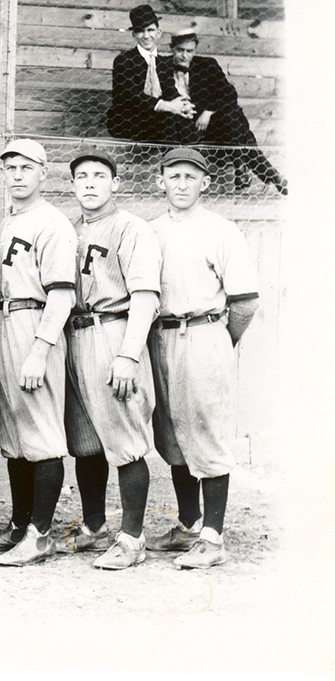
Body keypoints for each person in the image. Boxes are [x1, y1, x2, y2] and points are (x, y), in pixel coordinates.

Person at [145, 147, 258, 569]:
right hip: (162, 335)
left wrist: (218, 340)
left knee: (207, 433)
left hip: (205, 331)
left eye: (190, 177)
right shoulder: (150, 230)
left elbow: (245, 302)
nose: (181, 184)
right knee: (173, 433)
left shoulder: (221, 229)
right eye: (173, 176)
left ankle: (213, 538)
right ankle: (189, 525)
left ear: (204, 183)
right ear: (160, 181)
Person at [0, 139, 76, 567]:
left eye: (26, 168)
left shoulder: (52, 223)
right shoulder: (5, 222)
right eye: (10, 167)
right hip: (2, 323)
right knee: (13, 436)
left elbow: (62, 295)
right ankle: (19, 525)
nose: (16, 175)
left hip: (35, 324)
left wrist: (40, 350)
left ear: (42, 173)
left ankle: (42, 533)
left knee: (42, 433)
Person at [60, 150, 160, 570]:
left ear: (115, 184)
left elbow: (145, 298)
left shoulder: (131, 227)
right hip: (75, 333)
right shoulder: (67, 228)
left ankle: (132, 538)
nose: (89, 183)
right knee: (85, 442)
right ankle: (94, 525)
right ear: (71, 185)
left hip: (114, 331)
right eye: (81, 176)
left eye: (99, 176)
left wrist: (127, 355)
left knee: (125, 442)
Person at [166, 30, 287, 194]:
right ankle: (263, 173)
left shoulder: (207, 65)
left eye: (190, 51)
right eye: (180, 50)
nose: (185, 56)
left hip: (212, 125)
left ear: (195, 50)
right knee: (242, 131)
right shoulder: (162, 67)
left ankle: (242, 170)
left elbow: (229, 93)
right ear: (172, 48)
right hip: (184, 125)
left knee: (231, 114)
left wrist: (208, 112)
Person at [105, 5, 194, 144]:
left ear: (159, 33)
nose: (146, 36)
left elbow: (169, 89)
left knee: (186, 122)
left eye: (150, 30)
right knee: (168, 121)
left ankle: (189, 163)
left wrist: (183, 105)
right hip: (129, 120)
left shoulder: (163, 62)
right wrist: (165, 106)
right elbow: (131, 95)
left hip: (155, 119)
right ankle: (171, 165)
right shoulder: (124, 60)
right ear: (134, 35)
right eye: (140, 31)